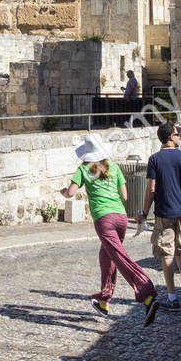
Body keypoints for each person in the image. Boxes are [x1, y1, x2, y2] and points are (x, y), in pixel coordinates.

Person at [61, 132, 159, 326]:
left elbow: (70, 193)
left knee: (120, 257)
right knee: (107, 255)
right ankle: (104, 300)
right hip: (121, 217)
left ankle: (147, 293)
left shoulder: (84, 169)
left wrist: (64, 191)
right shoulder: (113, 167)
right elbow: (124, 196)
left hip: (104, 219)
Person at [137, 122, 181, 311]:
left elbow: (151, 189)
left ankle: (172, 297)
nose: (180, 136)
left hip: (164, 212)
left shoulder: (155, 159)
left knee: (167, 253)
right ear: (170, 137)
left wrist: (143, 212)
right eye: (178, 134)